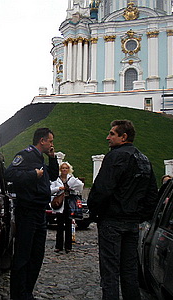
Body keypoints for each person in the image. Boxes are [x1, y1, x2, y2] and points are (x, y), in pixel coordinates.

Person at [87, 120, 158, 300]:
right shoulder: (144, 159)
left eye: (112, 133)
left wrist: (94, 212)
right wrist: (139, 216)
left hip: (112, 220)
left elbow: (102, 189)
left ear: (123, 136)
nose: (107, 137)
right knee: (130, 271)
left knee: (110, 272)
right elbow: (152, 195)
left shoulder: (115, 157)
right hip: (132, 223)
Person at [5, 127, 59, 300]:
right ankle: (18, 294)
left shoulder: (41, 158)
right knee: (23, 256)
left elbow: (52, 176)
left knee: (37, 256)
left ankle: (27, 292)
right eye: (50, 141)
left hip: (40, 211)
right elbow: (9, 173)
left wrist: (52, 159)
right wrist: (31, 175)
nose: (51, 144)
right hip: (27, 211)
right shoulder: (26, 155)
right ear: (41, 140)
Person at [50, 162, 83, 253]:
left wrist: (72, 189)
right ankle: (59, 246)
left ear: (69, 170)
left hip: (69, 204)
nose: (64, 170)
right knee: (59, 226)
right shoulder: (56, 179)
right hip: (60, 204)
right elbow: (50, 190)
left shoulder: (71, 179)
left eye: (66, 168)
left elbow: (80, 186)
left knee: (69, 225)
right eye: (63, 168)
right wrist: (59, 189)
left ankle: (68, 246)